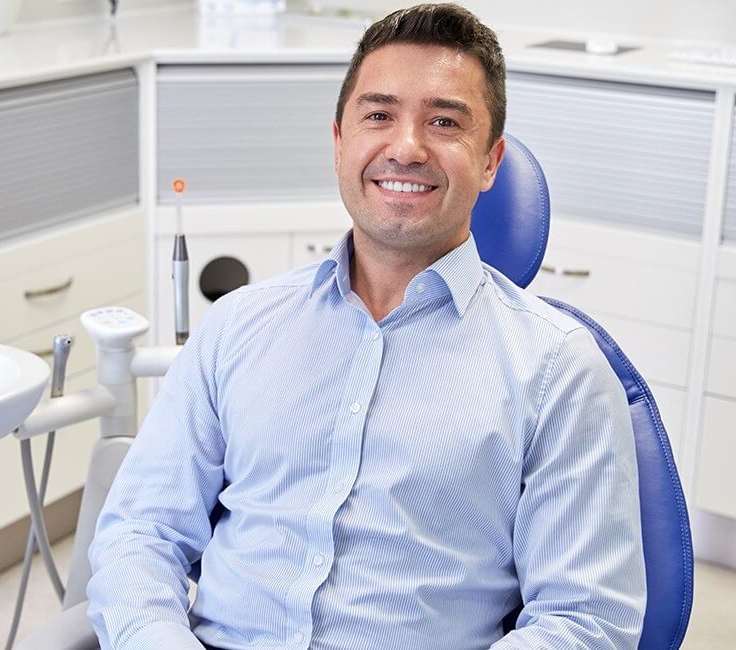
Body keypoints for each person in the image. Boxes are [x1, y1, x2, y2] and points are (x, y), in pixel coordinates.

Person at [86, 4, 645, 648]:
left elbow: (585, 620)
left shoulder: (558, 369)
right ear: (339, 143)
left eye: (443, 122)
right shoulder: (238, 325)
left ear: (490, 163)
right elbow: (141, 531)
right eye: (378, 116)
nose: (405, 148)